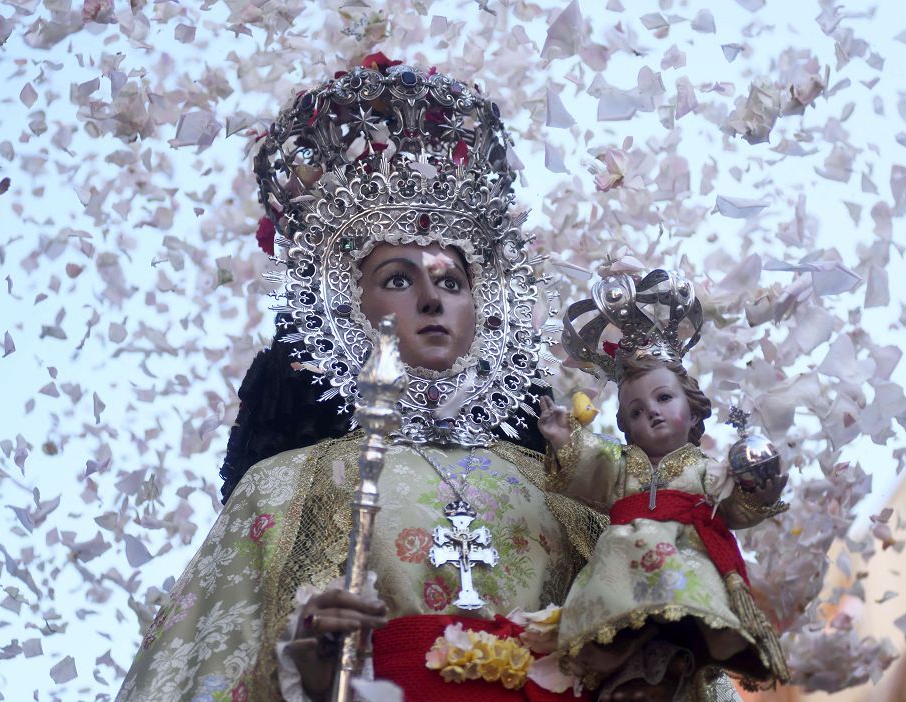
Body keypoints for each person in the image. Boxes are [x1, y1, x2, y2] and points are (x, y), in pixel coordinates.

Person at [117, 58, 742, 702]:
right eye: (397, 279)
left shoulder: (560, 486)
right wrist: (310, 669)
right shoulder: (283, 488)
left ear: (484, 308)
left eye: (450, 281)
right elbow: (205, 676)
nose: (431, 300)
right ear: (346, 303)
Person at [536, 272, 790, 701]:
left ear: (692, 413)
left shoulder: (705, 471)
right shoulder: (621, 467)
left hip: (683, 570)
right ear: (626, 426)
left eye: (664, 399)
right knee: (621, 645)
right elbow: (590, 464)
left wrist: (758, 493)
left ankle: (689, 651)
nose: (650, 413)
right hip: (622, 574)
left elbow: (733, 507)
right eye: (635, 411)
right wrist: (565, 440)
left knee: (681, 638)